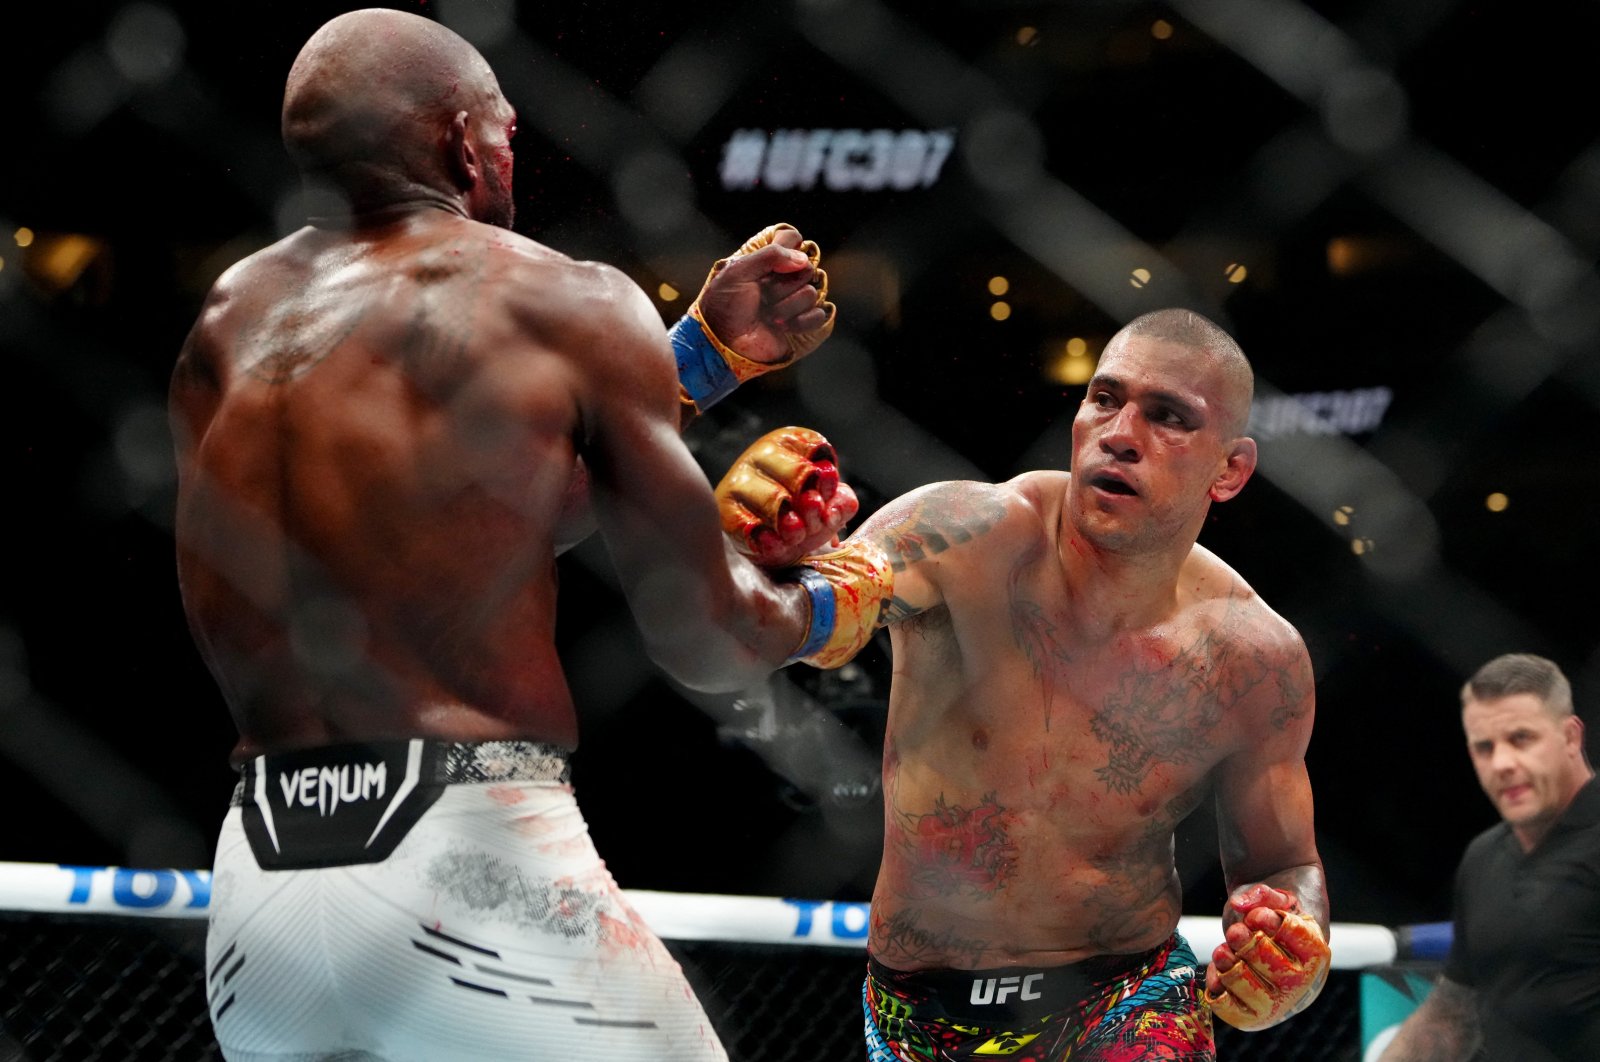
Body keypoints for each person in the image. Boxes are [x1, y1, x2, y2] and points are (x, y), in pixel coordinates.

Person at [168, 9, 867, 1061]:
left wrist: (702, 356)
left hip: (260, 897)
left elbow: (441, 542)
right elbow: (703, 637)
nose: (509, 162)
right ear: (460, 140)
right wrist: (838, 598)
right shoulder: (563, 296)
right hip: (470, 856)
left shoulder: (231, 319)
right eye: (505, 137)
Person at [715, 308, 1332, 1059]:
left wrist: (1288, 948)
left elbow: (1282, 865)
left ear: (1229, 469)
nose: (1121, 433)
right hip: (923, 1011)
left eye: (1168, 417)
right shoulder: (958, 532)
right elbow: (808, 628)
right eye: (1104, 398)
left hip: (1129, 1000)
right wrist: (762, 562)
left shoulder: (1251, 655)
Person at [1378, 653, 1598, 1062]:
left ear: (1570, 737)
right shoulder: (1485, 859)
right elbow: (1449, 1020)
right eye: (1484, 747)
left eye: (1521, 739)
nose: (1502, 764)